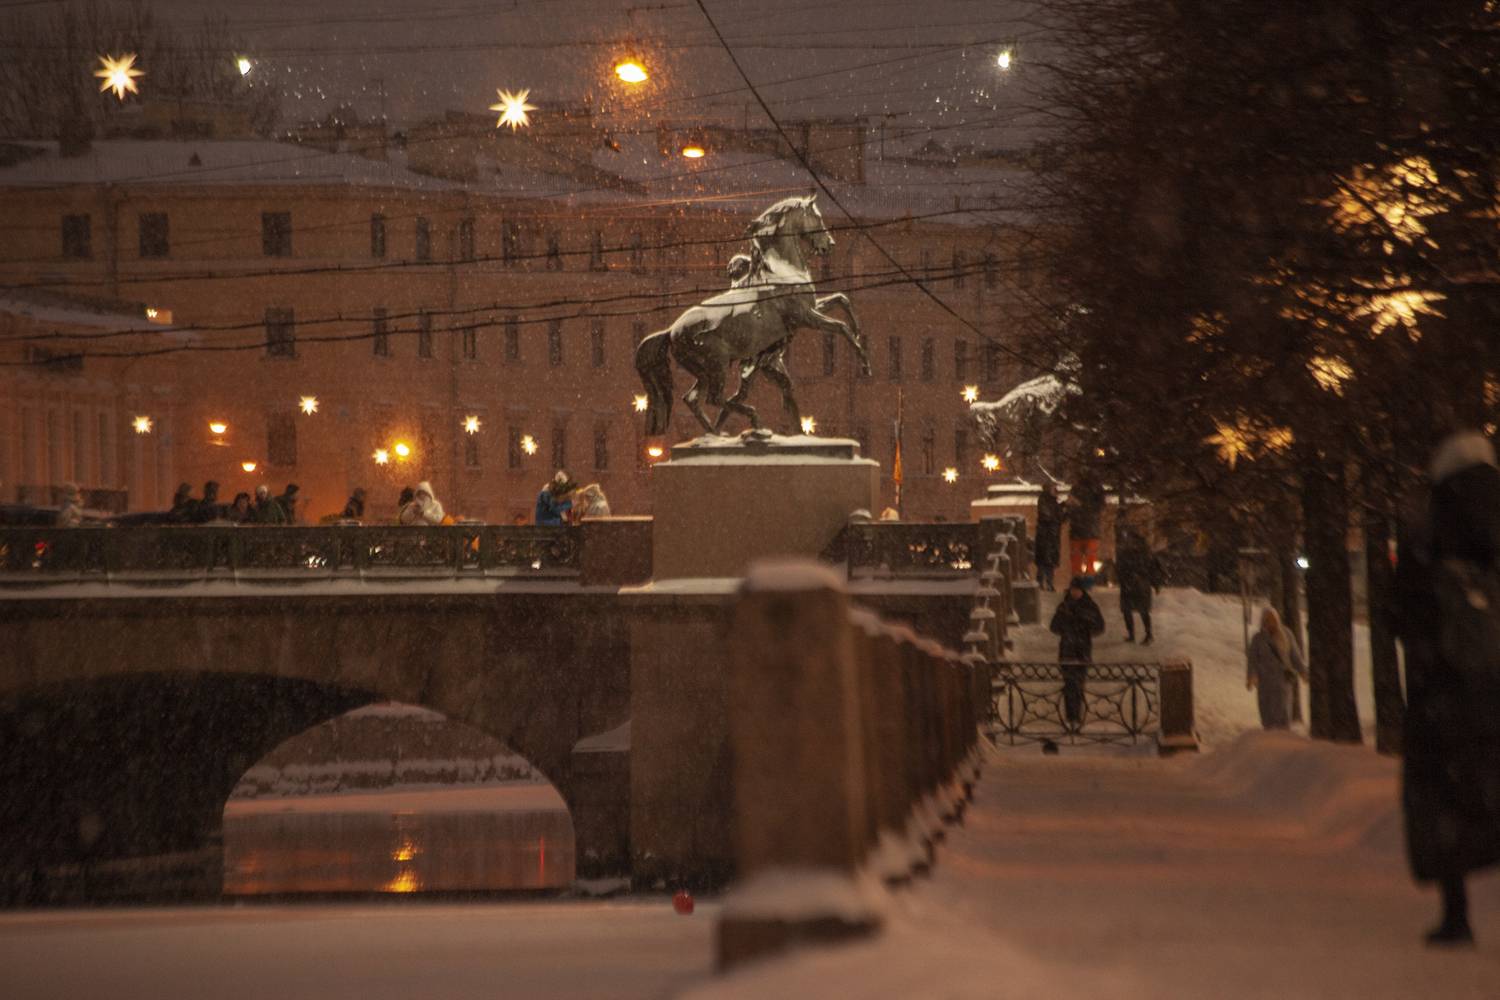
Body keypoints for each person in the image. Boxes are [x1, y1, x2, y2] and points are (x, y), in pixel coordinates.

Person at [1395, 429, 1500, 947]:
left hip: (1445, 689)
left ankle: (1456, 914)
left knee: (1445, 797)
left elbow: (1402, 609)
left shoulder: (1430, 524)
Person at [1049, 576, 1104, 731]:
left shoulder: (1090, 606)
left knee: (1078, 685)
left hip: (1082, 651)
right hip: (1067, 650)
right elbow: (1053, 626)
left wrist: (1086, 625)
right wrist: (1065, 626)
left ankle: (1076, 716)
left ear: (1082, 591)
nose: (1075, 592)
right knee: (1068, 685)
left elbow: (1099, 627)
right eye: (1073, 589)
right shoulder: (1064, 605)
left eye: (1077, 590)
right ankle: (1070, 716)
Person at [1245, 607, 1306, 730]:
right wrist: (1251, 677)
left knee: (1283, 713)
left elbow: (1295, 656)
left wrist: (1304, 671)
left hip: (1283, 683)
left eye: (1273, 619)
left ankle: (1282, 739)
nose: (1270, 622)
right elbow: (1252, 660)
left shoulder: (1287, 634)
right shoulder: (1258, 639)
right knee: (1267, 715)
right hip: (1265, 684)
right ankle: (1269, 740)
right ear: (1263, 621)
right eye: (1267, 619)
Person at [1115, 528, 1164, 643]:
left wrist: (1155, 583)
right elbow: (1155, 569)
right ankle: (1140, 634)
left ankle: (1144, 635)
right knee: (1133, 611)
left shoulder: (1142, 554)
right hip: (1135, 585)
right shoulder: (1132, 553)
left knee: (1138, 611)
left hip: (1137, 585)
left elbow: (1154, 569)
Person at [1067, 471, 1104, 580]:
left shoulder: (1076, 489)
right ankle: (1087, 581)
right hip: (1090, 531)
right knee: (1089, 558)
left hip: (1078, 531)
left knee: (1077, 559)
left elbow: (1071, 509)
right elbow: (1099, 507)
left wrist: (1077, 505)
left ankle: (1078, 580)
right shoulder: (1097, 489)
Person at [1034, 482, 1062, 591]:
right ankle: (1043, 582)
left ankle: (1046, 582)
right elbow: (1048, 517)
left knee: (1047, 561)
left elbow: (1057, 517)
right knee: (1045, 560)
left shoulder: (1051, 502)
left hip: (1050, 535)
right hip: (1047, 535)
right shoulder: (1045, 500)